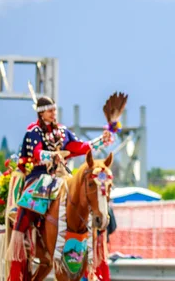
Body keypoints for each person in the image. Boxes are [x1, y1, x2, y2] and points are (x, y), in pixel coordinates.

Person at [7, 96, 113, 281]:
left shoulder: (63, 132)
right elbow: (38, 152)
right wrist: (52, 155)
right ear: (41, 112)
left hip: (62, 175)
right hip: (40, 175)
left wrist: (100, 141)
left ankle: (96, 241)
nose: (53, 113)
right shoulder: (33, 132)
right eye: (50, 110)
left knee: (85, 195)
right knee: (31, 200)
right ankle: (21, 238)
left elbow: (79, 147)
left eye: (54, 110)